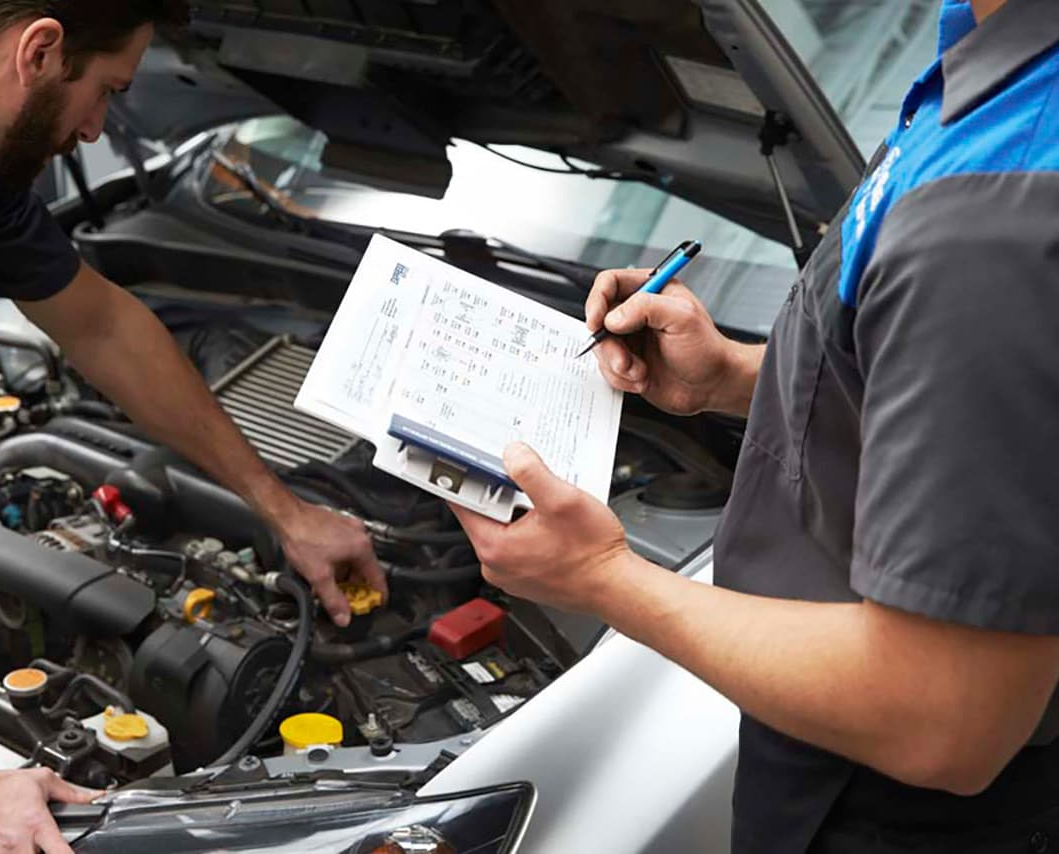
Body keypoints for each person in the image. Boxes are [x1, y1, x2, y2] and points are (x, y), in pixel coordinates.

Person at [451, 0, 1059, 850]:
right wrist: (736, 374)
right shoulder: (991, 68)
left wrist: (600, 578)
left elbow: (943, 717)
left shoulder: (996, 212)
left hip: (877, 803)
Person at [0, 2, 387, 851]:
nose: (100, 128)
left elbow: (100, 325)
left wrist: (284, 513)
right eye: (106, 91)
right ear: (39, 49)